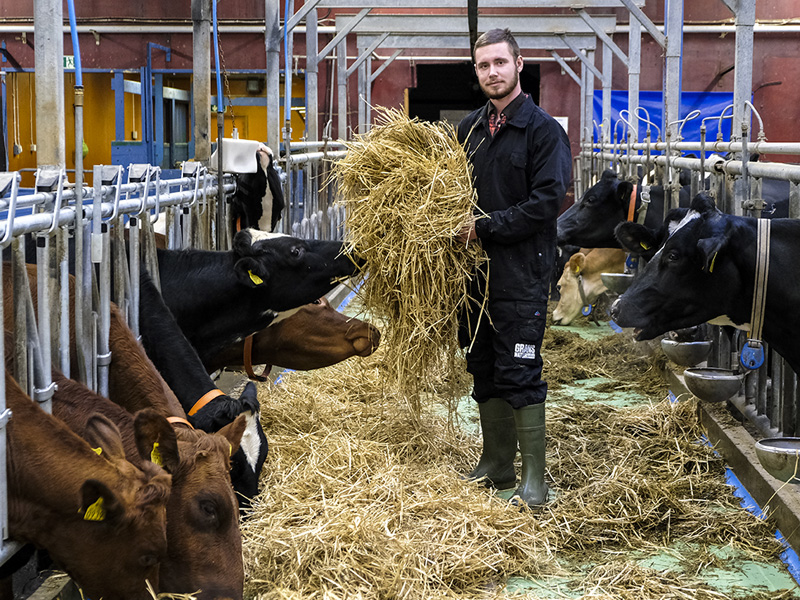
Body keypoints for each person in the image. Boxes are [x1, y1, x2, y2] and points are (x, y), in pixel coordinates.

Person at [455, 28, 572, 508]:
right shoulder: (468, 130)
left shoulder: (543, 131)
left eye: (500, 62)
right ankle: (497, 463)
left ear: (519, 64)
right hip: (474, 276)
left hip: (522, 274)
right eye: (483, 65)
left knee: (520, 369)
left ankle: (534, 481)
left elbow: (546, 203)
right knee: (482, 365)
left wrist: (483, 228)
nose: (492, 72)